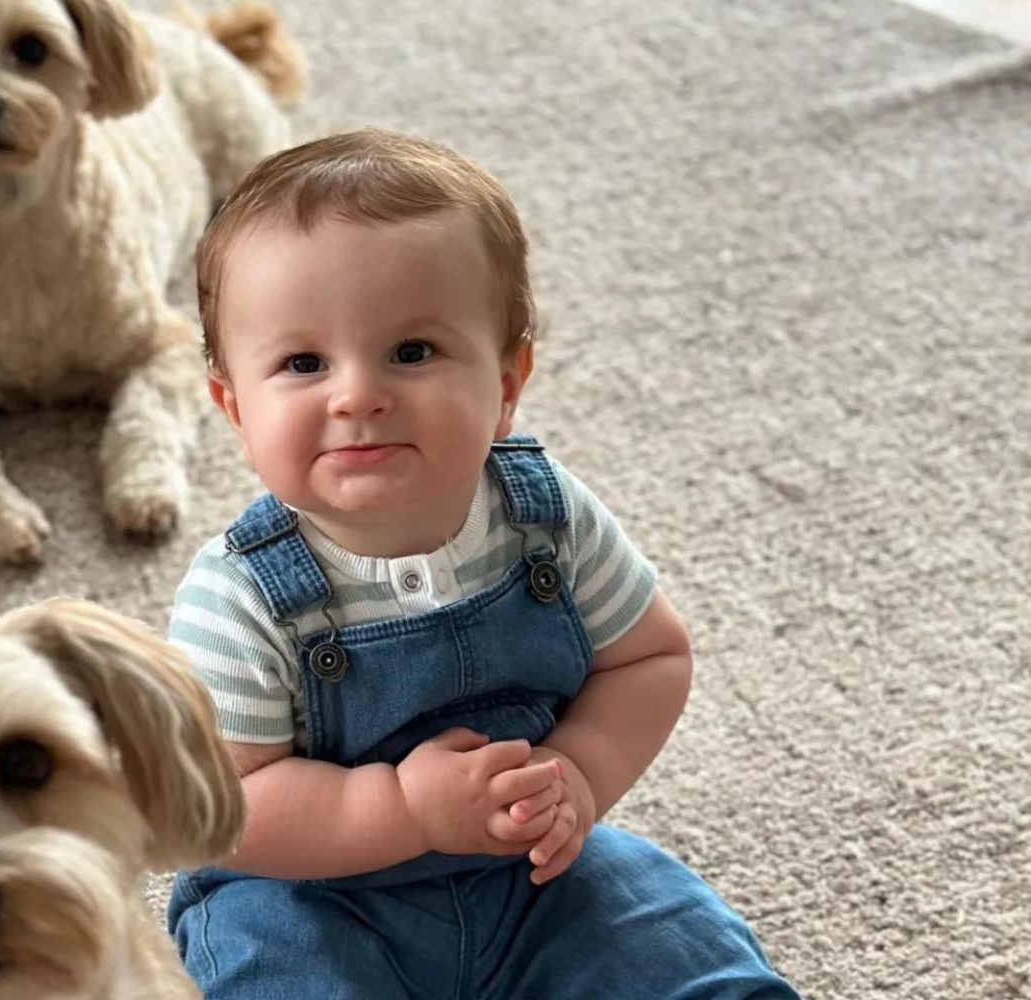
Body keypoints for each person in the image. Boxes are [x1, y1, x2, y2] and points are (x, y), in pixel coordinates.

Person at [165, 127, 798, 998]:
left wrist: (578, 774)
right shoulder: (237, 596)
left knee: (679, 953)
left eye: (411, 352)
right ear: (235, 409)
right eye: (303, 363)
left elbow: (650, 657)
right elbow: (219, 810)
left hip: (530, 870)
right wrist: (401, 810)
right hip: (311, 897)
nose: (358, 394)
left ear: (506, 384)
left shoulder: (545, 517)